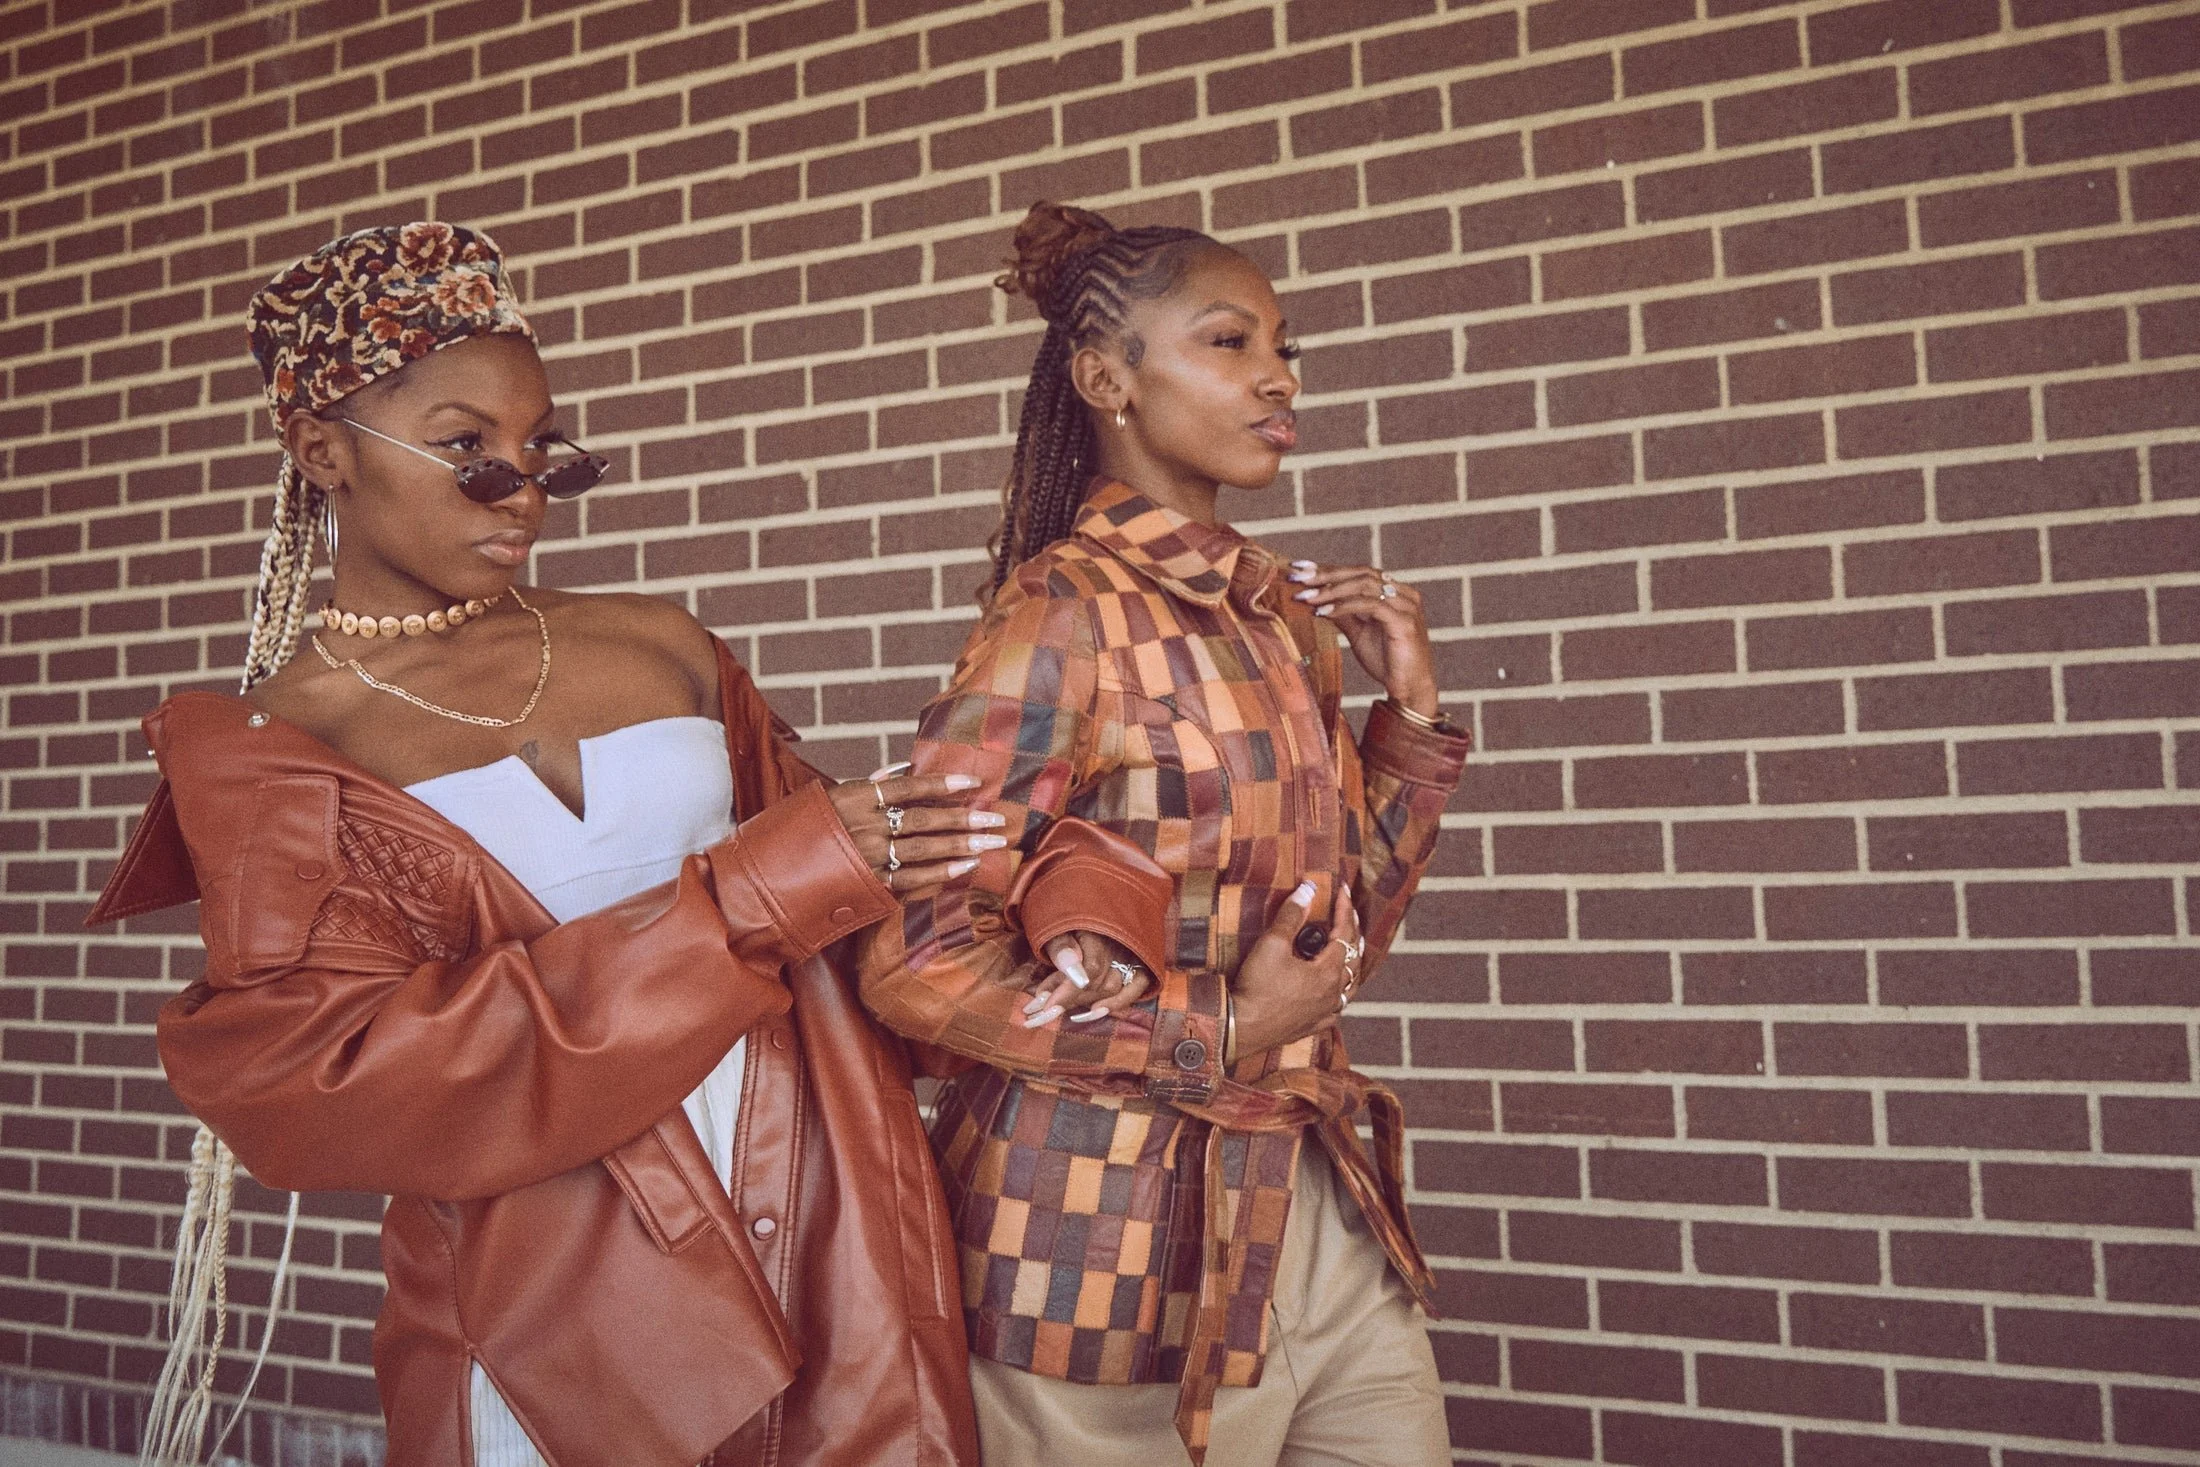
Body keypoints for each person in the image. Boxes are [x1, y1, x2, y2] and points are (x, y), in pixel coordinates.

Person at [87, 223, 990, 1467]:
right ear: (320, 451)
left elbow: (869, 917)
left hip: (825, 1215)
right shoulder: (285, 748)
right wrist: (744, 901)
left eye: (539, 451)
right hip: (555, 1316)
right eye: (468, 450)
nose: (520, 493)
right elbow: (346, 1082)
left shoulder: (658, 642)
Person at [857, 201, 1473, 1467]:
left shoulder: (1287, 621)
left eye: (1284, 346)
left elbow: (1344, 940)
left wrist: (1408, 720)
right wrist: (1227, 1031)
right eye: (1230, 342)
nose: (1278, 376)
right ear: (1106, 381)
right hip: (1095, 1252)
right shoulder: (1058, 618)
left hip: (1308, 1204)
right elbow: (918, 965)